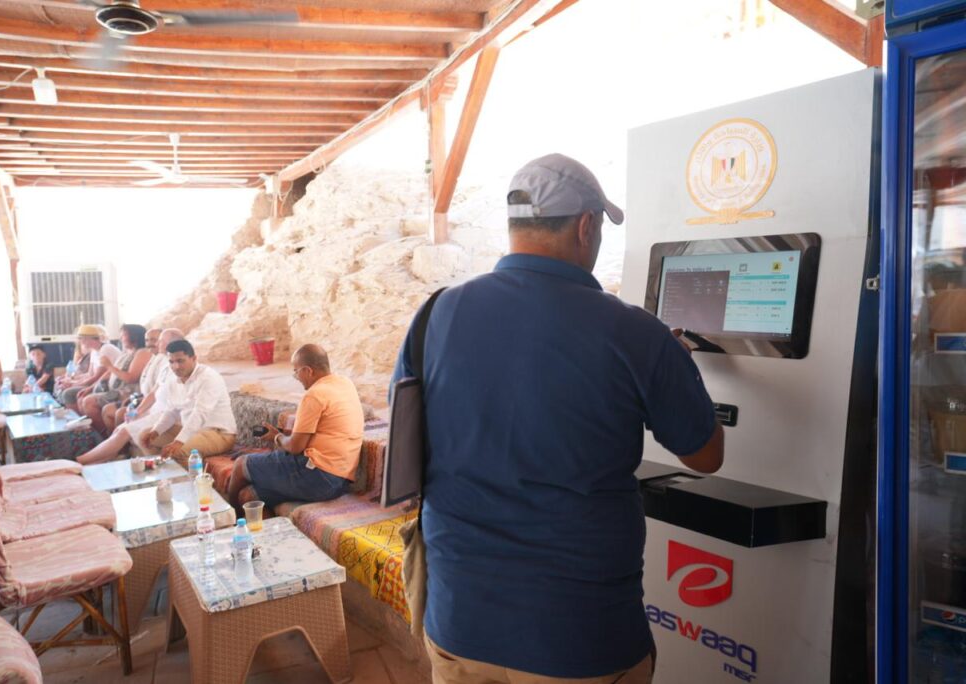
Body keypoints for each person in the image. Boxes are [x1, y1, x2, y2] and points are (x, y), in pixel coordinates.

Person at [391, 154, 725, 684]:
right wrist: (676, 365)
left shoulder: (435, 314)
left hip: (458, 622)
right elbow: (706, 455)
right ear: (587, 226)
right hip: (579, 638)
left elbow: (408, 440)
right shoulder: (636, 333)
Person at [227, 344, 364, 509]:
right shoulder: (345, 383)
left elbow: (294, 447)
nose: (296, 377)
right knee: (251, 496)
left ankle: (231, 517)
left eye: (296, 371)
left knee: (241, 465)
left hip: (317, 475)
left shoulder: (315, 394)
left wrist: (276, 437)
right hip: (339, 482)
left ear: (308, 371)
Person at [76, 328, 183, 465]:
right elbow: (153, 393)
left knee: (123, 431)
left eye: (160, 341)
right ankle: (97, 462)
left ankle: (79, 462)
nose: (157, 344)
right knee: (119, 429)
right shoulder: (166, 365)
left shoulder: (180, 367)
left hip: (166, 414)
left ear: (172, 343)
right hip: (153, 410)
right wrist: (137, 411)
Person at [139, 339, 236, 465]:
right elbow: (171, 411)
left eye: (180, 361)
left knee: (178, 451)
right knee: (145, 437)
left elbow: (200, 413)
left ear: (194, 358)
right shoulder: (173, 379)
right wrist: (156, 431)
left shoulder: (209, 377)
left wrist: (179, 441)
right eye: (171, 362)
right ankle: (161, 474)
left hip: (218, 434)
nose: (176, 367)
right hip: (192, 430)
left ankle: (189, 478)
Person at [79, 324, 152, 436]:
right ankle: (101, 436)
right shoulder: (127, 353)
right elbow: (109, 373)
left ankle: (104, 437)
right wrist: (91, 387)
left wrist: (109, 365)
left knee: (89, 402)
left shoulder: (142, 353)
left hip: (127, 394)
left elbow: (130, 378)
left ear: (134, 336)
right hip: (115, 391)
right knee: (84, 398)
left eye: (124, 335)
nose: (121, 338)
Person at [56, 324, 120, 411]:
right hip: (98, 383)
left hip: (108, 385)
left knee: (68, 393)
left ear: (88, 338)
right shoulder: (94, 351)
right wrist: (71, 381)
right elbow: (89, 374)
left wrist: (74, 384)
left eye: (81, 338)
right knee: (65, 389)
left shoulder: (106, 349)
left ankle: (78, 418)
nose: (80, 342)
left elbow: (96, 377)